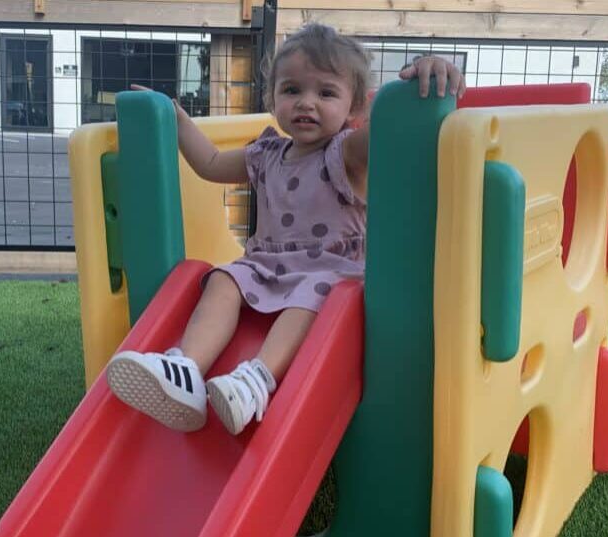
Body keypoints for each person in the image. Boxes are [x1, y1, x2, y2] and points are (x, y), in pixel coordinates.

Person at [106, 23, 466, 435]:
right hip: (267, 263)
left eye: (326, 93)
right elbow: (209, 164)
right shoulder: (266, 154)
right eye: (292, 90)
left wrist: (423, 74)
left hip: (330, 272)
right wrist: (174, 117)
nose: (306, 103)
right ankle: (185, 369)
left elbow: (391, 133)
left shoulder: (346, 153)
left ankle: (257, 377)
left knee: (312, 294)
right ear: (273, 98)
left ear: (354, 109)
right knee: (223, 279)